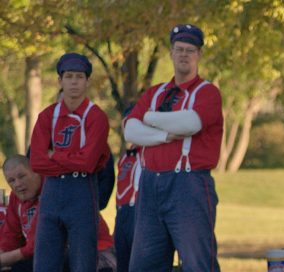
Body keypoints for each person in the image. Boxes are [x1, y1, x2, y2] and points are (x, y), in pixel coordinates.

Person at [123, 24, 223, 271]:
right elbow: (130, 130)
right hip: (149, 184)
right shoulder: (156, 92)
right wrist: (167, 134)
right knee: (144, 264)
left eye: (190, 50)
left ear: (198, 55)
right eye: (179, 49)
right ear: (171, 52)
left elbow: (191, 123)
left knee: (197, 262)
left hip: (188, 184)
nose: (184, 55)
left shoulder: (207, 92)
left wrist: (150, 118)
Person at [29, 52, 110, 271]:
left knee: (83, 262)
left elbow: (88, 163)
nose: (74, 82)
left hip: (82, 190)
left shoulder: (96, 117)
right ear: (60, 80)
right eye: (69, 76)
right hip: (51, 191)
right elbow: (36, 162)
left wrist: (55, 155)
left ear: (87, 81)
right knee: (44, 262)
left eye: (79, 77)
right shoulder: (47, 116)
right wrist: (74, 157)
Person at [1, 154, 116, 271]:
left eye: (22, 176)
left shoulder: (53, 188)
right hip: (61, 254)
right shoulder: (16, 198)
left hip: (98, 254)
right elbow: (10, 237)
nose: (17, 184)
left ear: (36, 171)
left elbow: (38, 244)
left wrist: (4, 260)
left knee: (28, 265)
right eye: (11, 180)